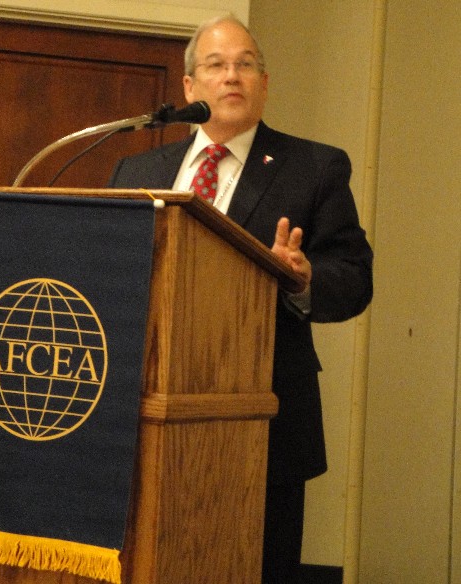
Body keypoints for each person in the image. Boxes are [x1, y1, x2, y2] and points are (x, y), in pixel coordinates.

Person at [108, 14, 373, 584]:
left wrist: (303, 278)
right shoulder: (138, 169)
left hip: (264, 417)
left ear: (264, 83)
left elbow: (354, 278)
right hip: (144, 411)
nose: (232, 76)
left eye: (245, 65)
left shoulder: (314, 167)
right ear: (188, 87)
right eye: (216, 65)